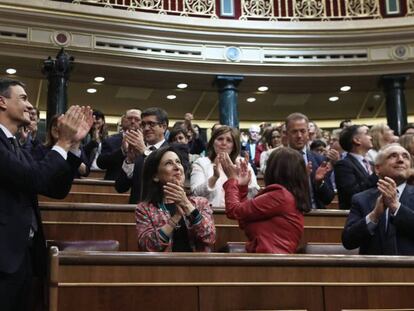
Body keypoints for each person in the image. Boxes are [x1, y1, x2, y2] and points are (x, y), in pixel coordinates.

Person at [0, 78, 93, 311]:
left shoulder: (15, 146)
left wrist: (71, 146)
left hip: (23, 255)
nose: (30, 105)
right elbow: (36, 178)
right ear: (1, 101)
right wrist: (62, 140)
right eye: (23, 98)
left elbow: (55, 189)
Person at [221, 147, 310, 253]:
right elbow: (244, 217)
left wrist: (232, 180)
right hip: (272, 262)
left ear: (273, 170)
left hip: (270, 264)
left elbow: (233, 210)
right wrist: (242, 187)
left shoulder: (280, 195)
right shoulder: (288, 196)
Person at [135, 145, 216, 252]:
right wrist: (175, 218)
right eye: (169, 163)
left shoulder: (200, 203)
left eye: (178, 162)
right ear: (155, 176)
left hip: (197, 265)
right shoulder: (145, 209)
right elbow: (148, 246)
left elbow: (209, 237)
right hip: (163, 267)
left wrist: (187, 205)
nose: (177, 167)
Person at [342, 143, 414, 255]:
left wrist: (396, 207)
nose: (400, 160)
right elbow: (348, 241)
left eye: (405, 156)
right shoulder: (361, 199)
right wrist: (374, 215)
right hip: (373, 270)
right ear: (377, 168)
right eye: (393, 156)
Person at [191, 125, 259, 207]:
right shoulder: (201, 163)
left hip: (238, 214)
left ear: (234, 146)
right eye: (220, 139)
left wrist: (246, 182)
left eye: (229, 140)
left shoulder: (243, 163)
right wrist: (214, 177)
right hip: (210, 215)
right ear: (213, 142)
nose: (224, 143)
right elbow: (195, 194)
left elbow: (254, 196)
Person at [115, 107, 169, 203]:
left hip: (161, 212)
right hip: (135, 211)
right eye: (143, 124)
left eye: (151, 124)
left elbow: (167, 181)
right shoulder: (137, 152)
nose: (146, 128)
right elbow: (120, 188)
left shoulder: (172, 151)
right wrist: (129, 161)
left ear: (164, 127)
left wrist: (144, 151)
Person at [285, 112, 335, 209]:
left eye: (303, 131)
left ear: (308, 133)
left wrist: (319, 183)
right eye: (294, 131)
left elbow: (328, 198)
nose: (299, 135)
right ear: (287, 134)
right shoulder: (277, 160)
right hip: (288, 216)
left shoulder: (320, 159)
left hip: (316, 216)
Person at [334, 125, 378, 210]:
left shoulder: (371, 163)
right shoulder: (343, 165)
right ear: (357, 140)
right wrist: (376, 174)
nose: (371, 137)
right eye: (367, 133)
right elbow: (353, 194)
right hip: (357, 215)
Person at [96, 109, 141, 180]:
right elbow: (101, 164)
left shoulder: (148, 141)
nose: (132, 121)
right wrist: (122, 151)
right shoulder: (110, 140)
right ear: (123, 120)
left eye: (137, 119)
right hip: (113, 184)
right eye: (129, 118)